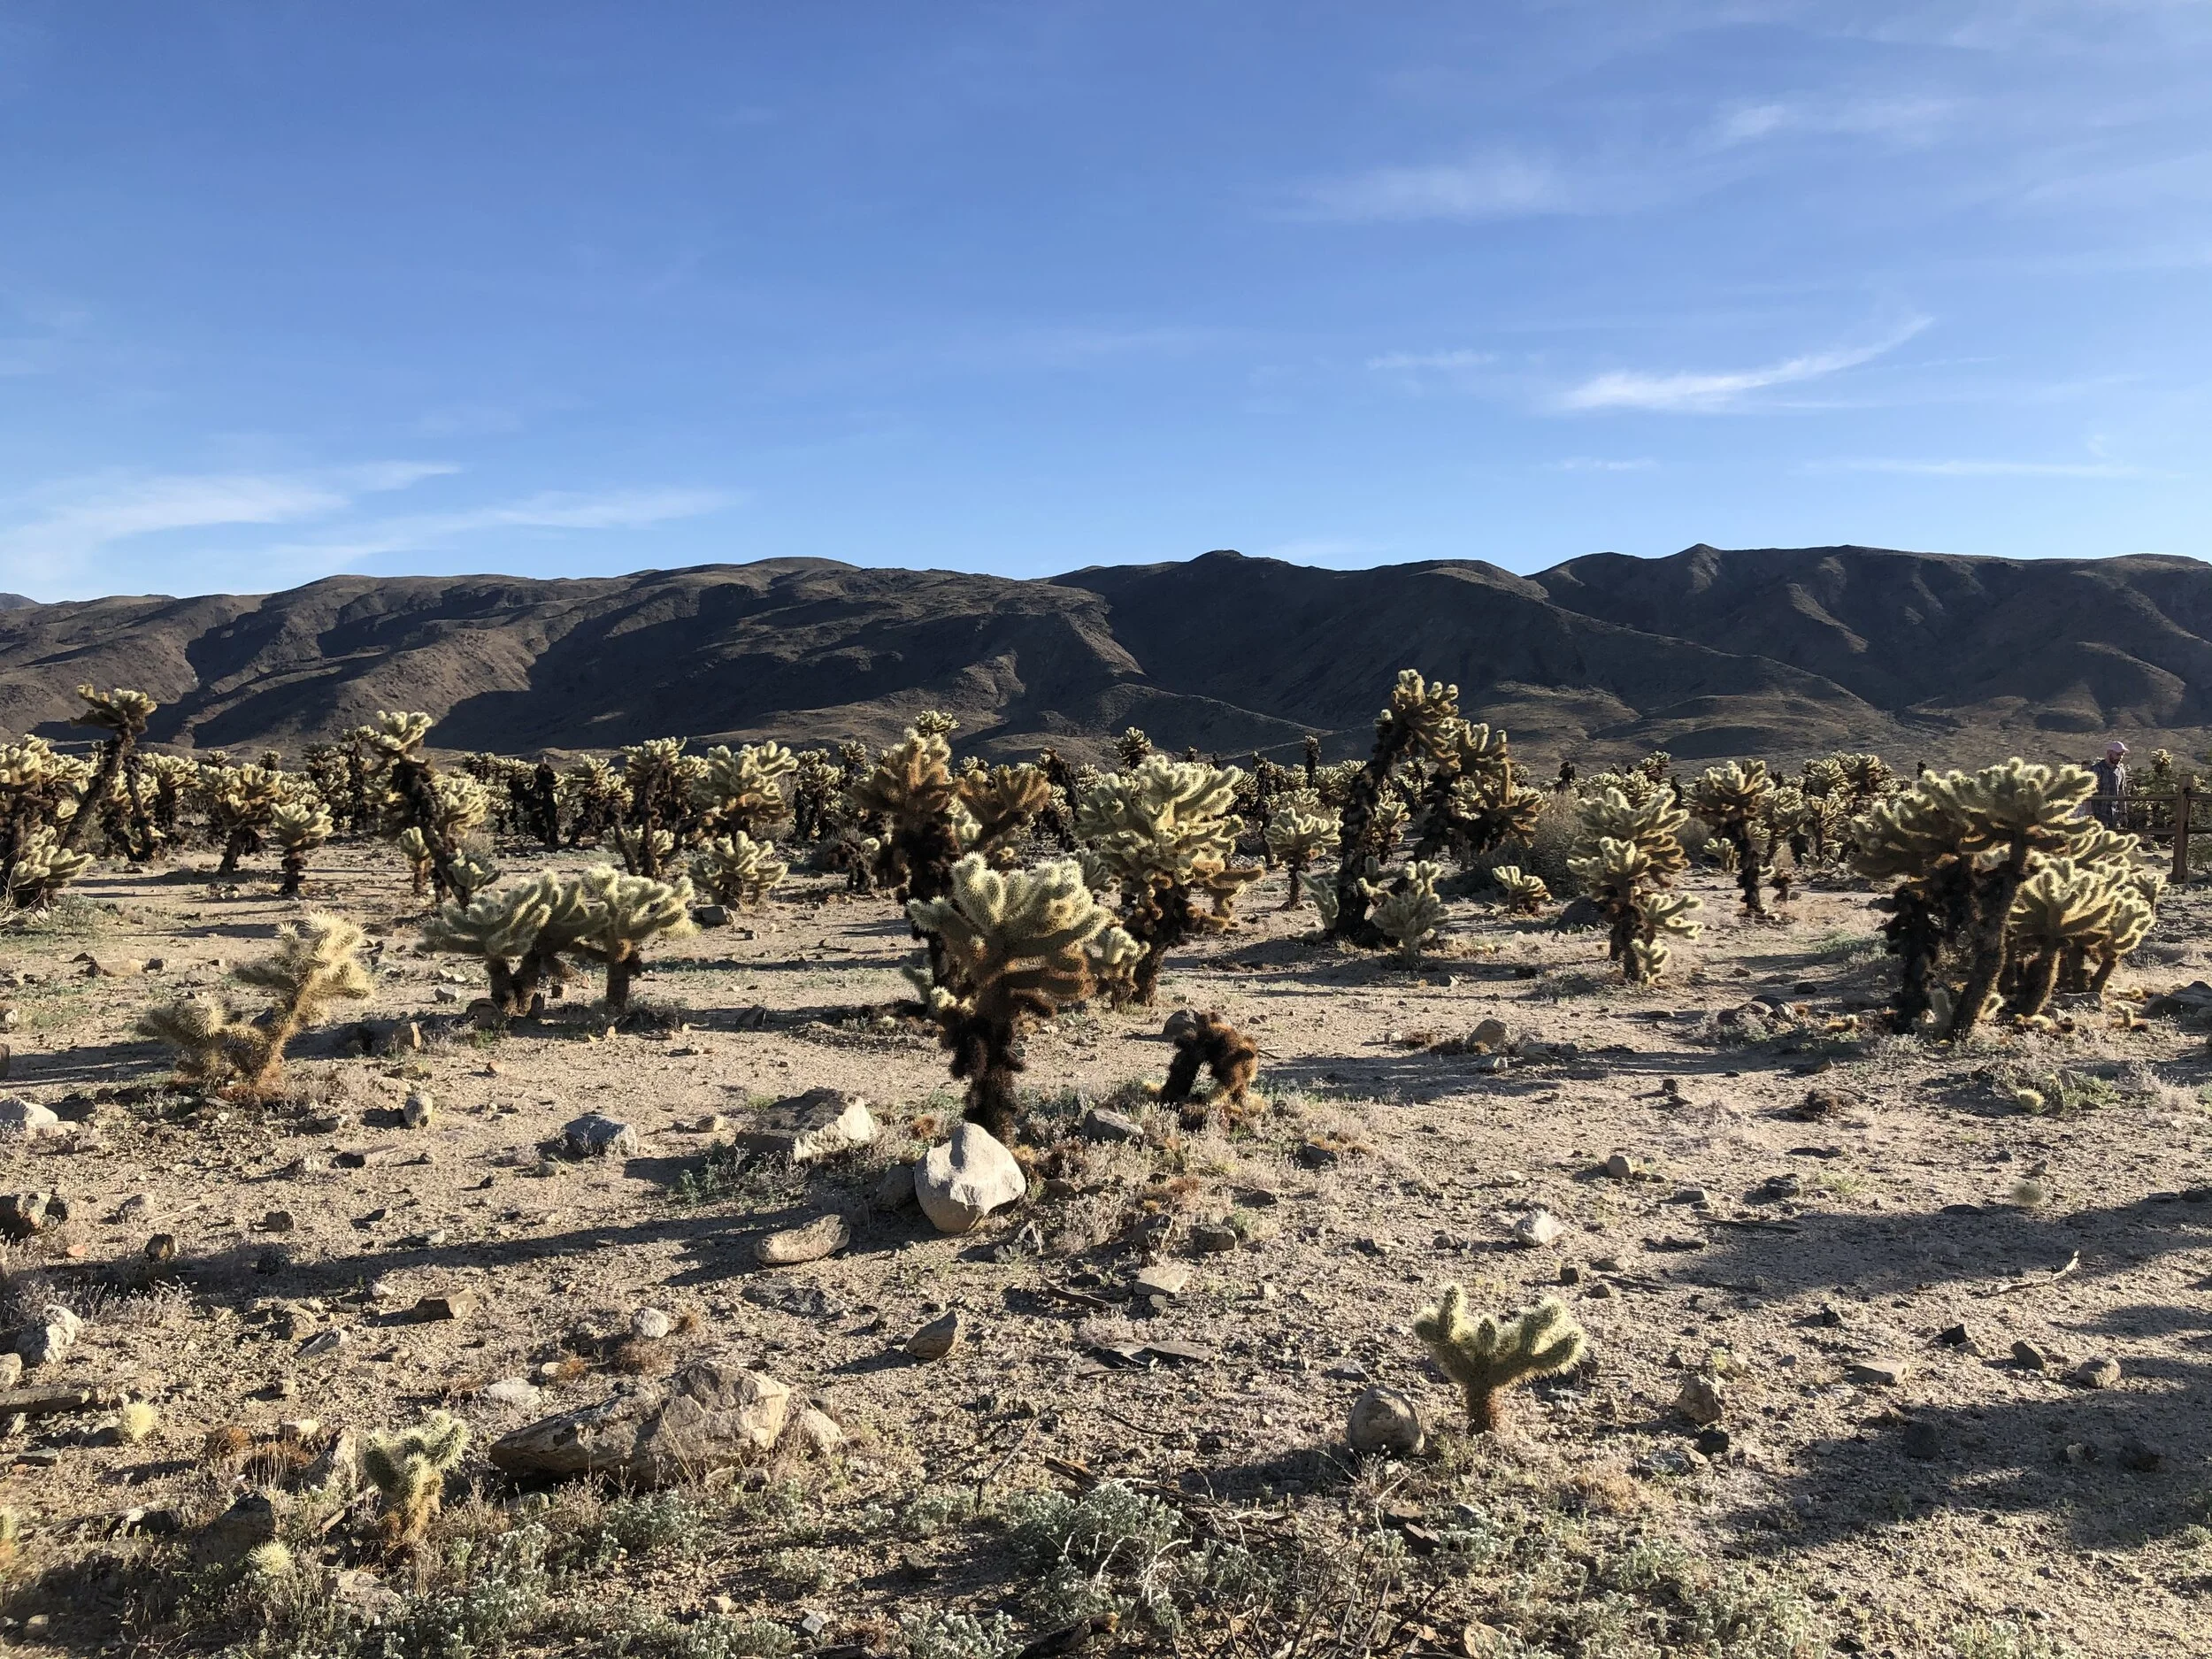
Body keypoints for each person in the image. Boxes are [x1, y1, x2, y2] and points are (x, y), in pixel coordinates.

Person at [2091, 741, 2129, 826]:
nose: (2120, 757)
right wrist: (2089, 813)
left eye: (2122, 754)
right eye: (2118, 754)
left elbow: (2121, 791)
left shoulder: (2121, 771)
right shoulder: (2096, 769)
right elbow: (2089, 792)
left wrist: (2124, 813)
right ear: (2109, 753)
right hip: (2098, 812)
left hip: (2114, 814)